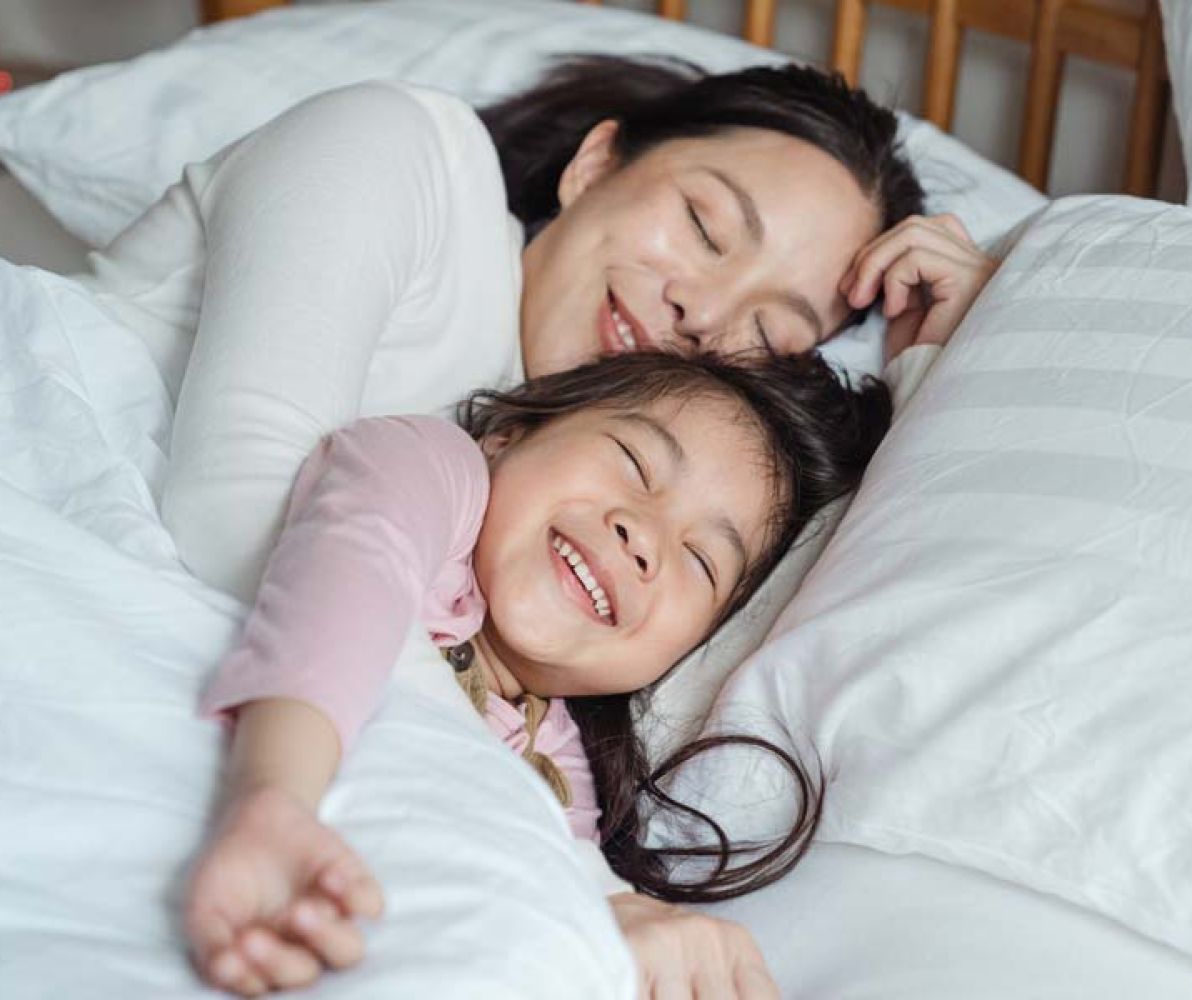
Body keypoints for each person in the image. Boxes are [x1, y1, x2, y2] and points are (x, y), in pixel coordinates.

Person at [78, 56, 998, 607]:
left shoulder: (590, 480)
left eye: (770, 330)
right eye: (707, 227)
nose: (706, 316)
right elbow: (235, 507)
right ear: (596, 164)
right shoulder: (403, 149)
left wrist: (922, 370)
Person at [186, 350, 893, 998]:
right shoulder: (432, 470)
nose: (643, 537)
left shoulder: (563, 772)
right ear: (510, 434)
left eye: (702, 561)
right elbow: (350, 572)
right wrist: (272, 798)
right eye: (634, 463)